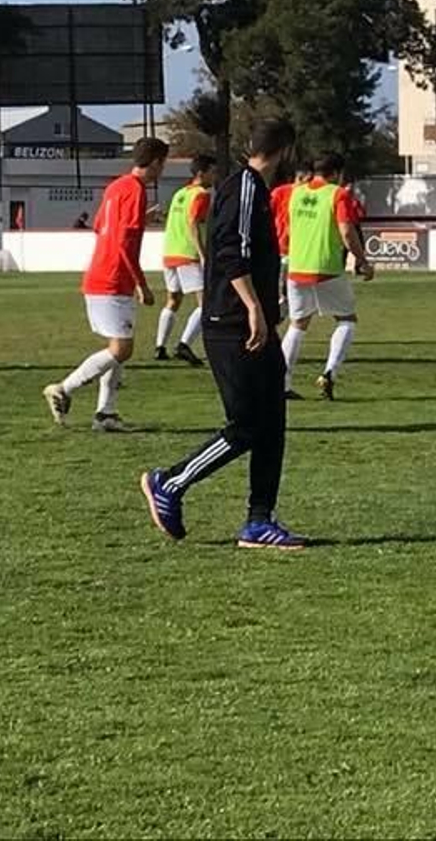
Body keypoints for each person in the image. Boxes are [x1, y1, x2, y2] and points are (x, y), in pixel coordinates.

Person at [139, 118, 305, 550]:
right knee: (249, 425)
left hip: (255, 325)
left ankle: (259, 521)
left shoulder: (253, 190)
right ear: (286, 150)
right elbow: (231, 253)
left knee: (273, 424)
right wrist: (252, 307)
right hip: (232, 326)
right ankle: (170, 483)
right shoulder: (246, 188)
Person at [42, 137, 169, 432]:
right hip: (113, 277)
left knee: (117, 344)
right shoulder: (135, 190)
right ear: (155, 162)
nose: (162, 169)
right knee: (122, 349)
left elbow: (101, 226)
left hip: (103, 272)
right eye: (163, 162)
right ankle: (64, 388)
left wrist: (141, 219)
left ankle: (106, 414)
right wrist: (142, 283)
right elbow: (124, 242)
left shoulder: (116, 186)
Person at [281, 153, 373, 401]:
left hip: (297, 267)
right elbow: (346, 230)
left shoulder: (296, 192)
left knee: (297, 324)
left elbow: (289, 228)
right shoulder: (338, 194)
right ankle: (329, 372)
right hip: (326, 267)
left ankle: (280, 383)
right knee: (346, 319)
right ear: (337, 173)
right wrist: (362, 260)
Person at [154, 154, 216, 366]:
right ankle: (184, 344)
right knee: (206, 302)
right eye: (212, 171)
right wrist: (202, 254)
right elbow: (192, 223)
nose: (214, 176)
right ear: (202, 173)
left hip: (170, 252)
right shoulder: (201, 194)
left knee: (173, 300)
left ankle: (160, 346)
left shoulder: (180, 193)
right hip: (187, 254)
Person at [271, 167, 311, 310]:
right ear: (299, 178)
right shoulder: (280, 193)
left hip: (300, 251)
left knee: (296, 297)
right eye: (307, 181)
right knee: (280, 293)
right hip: (280, 249)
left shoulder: (308, 197)